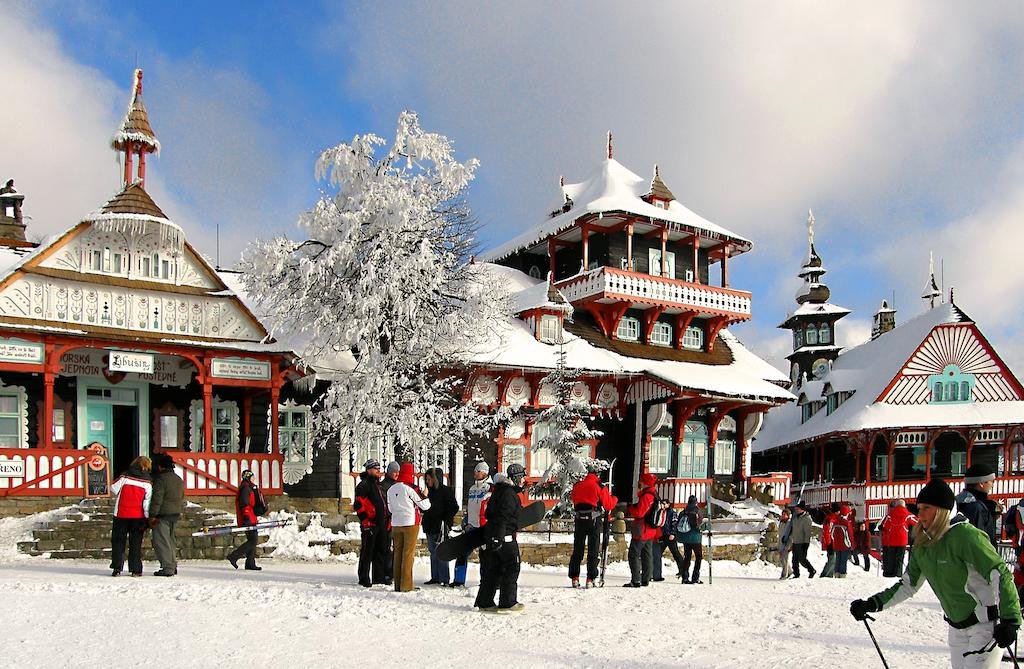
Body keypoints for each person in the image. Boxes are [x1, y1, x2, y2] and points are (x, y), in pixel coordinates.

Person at [850, 478, 1021, 669]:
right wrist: (873, 603)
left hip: (985, 627)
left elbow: (1000, 573)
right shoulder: (924, 542)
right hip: (957, 629)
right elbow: (908, 584)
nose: (919, 514)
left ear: (942, 510)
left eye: (926, 508)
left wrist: (1010, 620)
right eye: (919, 507)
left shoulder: (966, 536)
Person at [474, 463, 525, 612]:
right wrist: (500, 537)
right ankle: (508, 603)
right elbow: (503, 517)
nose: (523, 481)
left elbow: (490, 513)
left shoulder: (498, 490)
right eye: (521, 477)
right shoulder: (509, 494)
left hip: (493, 536)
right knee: (511, 568)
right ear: (515, 478)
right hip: (505, 538)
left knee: (494, 570)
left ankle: (485, 602)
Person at [568, 464, 618, 588]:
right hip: (593, 520)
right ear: (597, 475)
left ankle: (574, 577)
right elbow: (608, 505)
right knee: (593, 549)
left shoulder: (578, 485)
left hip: (580, 519)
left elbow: (573, 499)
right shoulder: (600, 486)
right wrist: (615, 498)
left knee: (578, 548)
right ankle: (590, 578)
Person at [387, 462, 430, 592]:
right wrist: (424, 494)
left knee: (397, 553)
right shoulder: (411, 488)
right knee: (408, 554)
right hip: (410, 522)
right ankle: (406, 585)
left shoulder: (391, 489)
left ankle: (398, 585)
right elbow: (426, 506)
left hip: (396, 523)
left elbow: (389, 508)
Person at [109, 456, 152, 577]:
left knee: (118, 542)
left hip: (121, 514)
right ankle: (136, 569)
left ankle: (117, 567)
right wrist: (147, 517)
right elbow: (147, 502)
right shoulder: (147, 482)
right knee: (136, 543)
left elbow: (113, 488)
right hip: (138, 517)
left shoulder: (125, 477)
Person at [453, 461, 491, 588]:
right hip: (471, 525)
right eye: (475, 471)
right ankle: (459, 580)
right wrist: (466, 521)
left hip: (483, 526)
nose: (475, 473)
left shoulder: (489, 488)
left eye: (478, 471)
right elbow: (470, 507)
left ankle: (485, 581)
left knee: (485, 556)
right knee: (462, 552)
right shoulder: (472, 488)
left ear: (485, 472)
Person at [353, 459, 391, 587]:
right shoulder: (364, 485)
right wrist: (365, 520)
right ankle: (364, 578)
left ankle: (378, 578)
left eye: (379, 469)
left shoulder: (378, 485)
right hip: (370, 524)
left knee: (380, 551)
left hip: (381, 524)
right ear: (369, 470)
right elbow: (359, 504)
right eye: (376, 469)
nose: (378, 471)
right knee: (367, 552)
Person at [149, 453, 185, 577]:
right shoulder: (178, 479)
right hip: (175, 512)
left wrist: (152, 514)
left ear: (160, 467)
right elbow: (181, 496)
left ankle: (167, 567)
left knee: (161, 541)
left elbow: (157, 498)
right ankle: (172, 564)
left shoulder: (161, 479)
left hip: (162, 513)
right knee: (170, 540)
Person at [623, 472, 661, 588]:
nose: (640, 483)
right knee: (646, 554)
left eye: (642, 481)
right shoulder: (654, 495)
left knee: (633, 554)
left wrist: (631, 508)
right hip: (650, 531)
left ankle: (636, 580)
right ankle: (645, 578)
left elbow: (640, 513)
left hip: (642, 530)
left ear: (646, 483)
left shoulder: (647, 496)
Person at [422, 467, 459, 586]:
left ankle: (444, 578)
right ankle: (435, 577)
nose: (427, 482)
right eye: (426, 479)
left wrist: (446, 520)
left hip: (441, 526)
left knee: (441, 553)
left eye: (428, 479)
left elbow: (454, 507)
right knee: (433, 552)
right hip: (429, 525)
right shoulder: (428, 492)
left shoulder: (445, 491)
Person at [227, 469, 264, 571]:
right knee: (253, 540)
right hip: (248, 517)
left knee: (253, 539)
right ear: (248, 477)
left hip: (251, 517)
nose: (254, 479)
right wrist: (247, 517)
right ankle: (234, 556)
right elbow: (245, 504)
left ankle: (250, 563)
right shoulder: (246, 488)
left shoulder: (247, 487)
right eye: (252, 477)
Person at [956, 463, 999, 547]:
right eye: (991, 481)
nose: (992, 485)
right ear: (981, 484)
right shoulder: (976, 507)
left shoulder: (957, 502)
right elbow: (979, 539)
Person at [879, 499, 917, 577]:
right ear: (904, 505)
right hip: (902, 540)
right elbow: (916, 521)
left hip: (892, 539)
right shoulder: (907, 514)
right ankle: (898, 572)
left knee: (891, 557)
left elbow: (884, 526)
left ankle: (890, 572)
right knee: (900, 558)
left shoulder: (890, 515)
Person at [380, 461, 401, 583]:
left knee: (395, 548)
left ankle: (392, 572)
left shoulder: (397, 485)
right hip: (387, 521)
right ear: (389, 472)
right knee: (387, 548)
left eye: (398, 471)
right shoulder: (384, 486)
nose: (397, 474)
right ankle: (387, 572)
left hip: (395, 520)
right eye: (394, 471)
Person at [677, 495, 704, 584]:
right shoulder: (697, 511)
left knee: (687, 557)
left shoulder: (683, 511)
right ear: (696, 502)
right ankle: (695, 577)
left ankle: (685, 577)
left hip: (685, 538)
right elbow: (700, 524)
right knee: (698, 557)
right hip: (695, 538)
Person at [789, 501, 816, 579]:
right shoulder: (795, 518)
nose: (796, 510)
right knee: (794, 560)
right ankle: (796, 574)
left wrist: (806, 543)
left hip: (802, 542)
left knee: (802, 559)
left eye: (798, 509)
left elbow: (807, 532)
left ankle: (811, 570)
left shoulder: (807, 519)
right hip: (795, 541)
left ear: (802, 510)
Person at [830, 502, 855, 578]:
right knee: (843, 561)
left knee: (837, 559)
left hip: (837, 544)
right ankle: (842, 574)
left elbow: (832, 534)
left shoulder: (836, 521)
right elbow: (849, 535)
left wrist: (835, 541)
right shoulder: (847, 523)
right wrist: (851, 545)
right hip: (845, 544)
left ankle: (836, 574)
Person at [819, 502, 837, 578]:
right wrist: (829, 544)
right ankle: (825, 574)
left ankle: (829, 574)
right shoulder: (830, 519)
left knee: (833, 559)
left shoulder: (832, 518)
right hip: (831, 543)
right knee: (832, 559)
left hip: (833, 542)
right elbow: (827, 532)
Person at [778, 507, 793, 579]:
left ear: (788, 515)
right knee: (781, 559)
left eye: (785, 515)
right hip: (781, 543)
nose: (783, 516)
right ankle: (790, 571)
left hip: (787, 543)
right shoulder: (781, 523)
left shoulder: (790, 524)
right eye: (783, 514)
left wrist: (791, 545)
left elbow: (792, 535)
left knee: (785, 560)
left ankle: (784, 575)